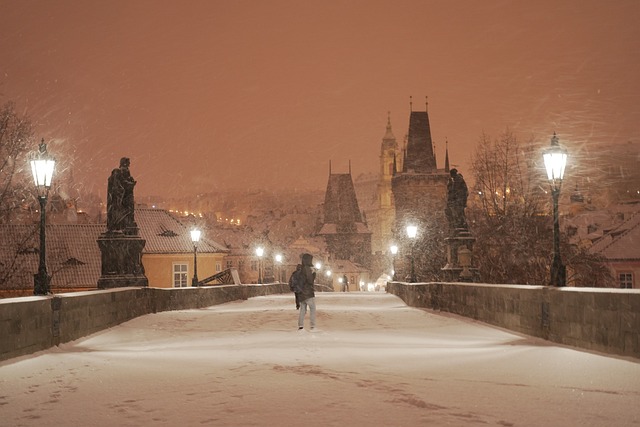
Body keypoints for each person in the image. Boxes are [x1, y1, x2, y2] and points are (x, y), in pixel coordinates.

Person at [107, 157, 137, 234]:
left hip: (125, 198)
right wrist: (130, 184)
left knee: (126, 212)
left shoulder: (123, 172)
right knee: (125, 212)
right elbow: (121, 185)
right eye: (128, 162)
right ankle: (122, 225)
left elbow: (122, 184)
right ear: (124, 163)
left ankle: (123, 225)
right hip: (124, 199)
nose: (129, 164)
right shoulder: (119, 172)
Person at [298, 253, 316, 330]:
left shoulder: (300, 268)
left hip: (301, 292)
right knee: (312, 308)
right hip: (308, 292)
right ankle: (312, 325)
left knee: (302, 309)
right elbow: (310, 281)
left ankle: (300, 325)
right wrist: (314, 274)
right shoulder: (307, 269)